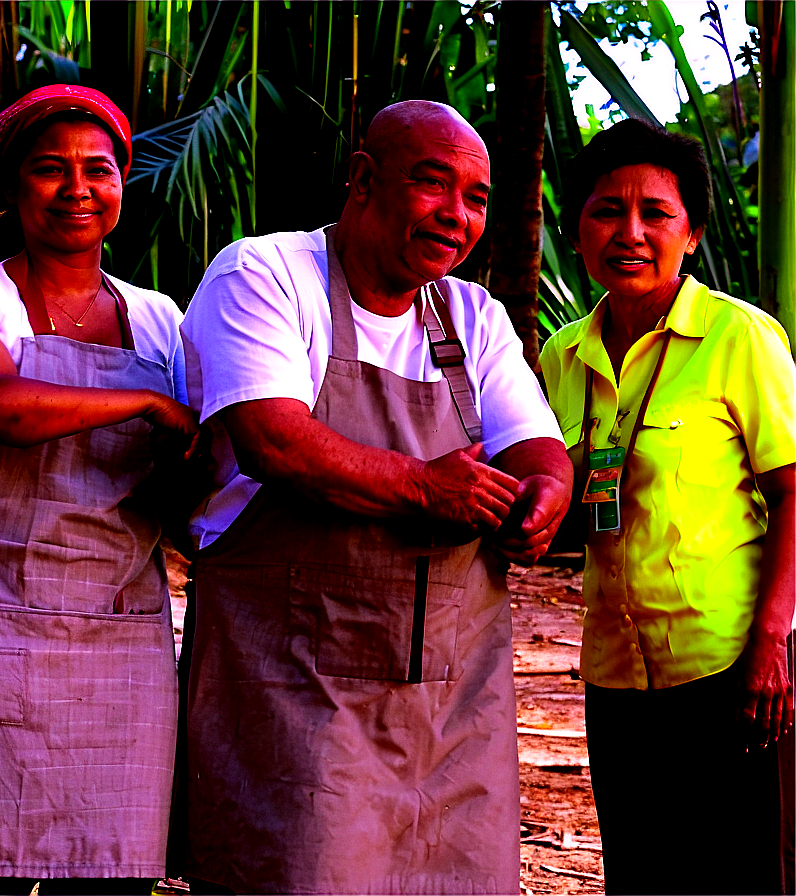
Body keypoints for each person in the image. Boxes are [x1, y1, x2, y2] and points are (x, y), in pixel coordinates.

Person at [178, 100, 573, 894]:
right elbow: (275, 440)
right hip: (296, 689)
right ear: (362, 180)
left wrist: (543, 501)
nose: (455, 215)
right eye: (433, 185)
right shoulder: (265, 274)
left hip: (455, 706)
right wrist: (429, 486)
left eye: (476, 197)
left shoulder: (472, 315)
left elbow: (537, 449)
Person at [0, 84, 200, 895]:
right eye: (48, 169)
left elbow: (186, 473)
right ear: (9, 185)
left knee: (109, 869)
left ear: (120, 183)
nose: (77, 188)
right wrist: (145, 400)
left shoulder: (158, 319)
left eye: (96, 169)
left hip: (119, 623)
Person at [540, 118, 795, 896]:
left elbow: (793, 490)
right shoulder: (562, 356)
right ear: (576, 230)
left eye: (657, 213)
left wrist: (774, 641)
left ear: (692, 236)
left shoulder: (738, 337)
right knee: (645, 873)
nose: (631, 232)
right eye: (606, 210)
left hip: (733, 668)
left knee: (743, 872)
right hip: (616, 676)